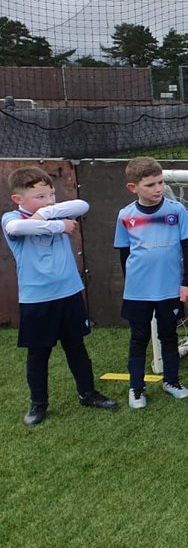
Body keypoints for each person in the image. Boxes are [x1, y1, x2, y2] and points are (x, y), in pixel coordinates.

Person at [4, 166, 115, 425]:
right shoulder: (10, 217)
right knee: (38, 353)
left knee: (76, 346)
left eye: (51, 194)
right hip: (37, 300)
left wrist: (44, 212)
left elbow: (82, 204)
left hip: (69, 294)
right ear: (18, 200)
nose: (50, 200)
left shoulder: (53, 211)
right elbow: (18, 229)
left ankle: (87, 393)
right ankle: (38, 404)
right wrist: (57, 226)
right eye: (40, 197)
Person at [115, 156, 188, 408]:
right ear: (134, 188)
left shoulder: (176, 210)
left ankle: (171, 381)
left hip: (169, 289)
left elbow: (187, 248)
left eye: (160, 182)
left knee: (169, 336)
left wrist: (187, 282)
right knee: (139, 339)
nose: (158, 188)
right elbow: (124, 254)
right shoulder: (125, 215)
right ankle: (136, 388)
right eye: (150, 185)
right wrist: (133, 284)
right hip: (138, 292)